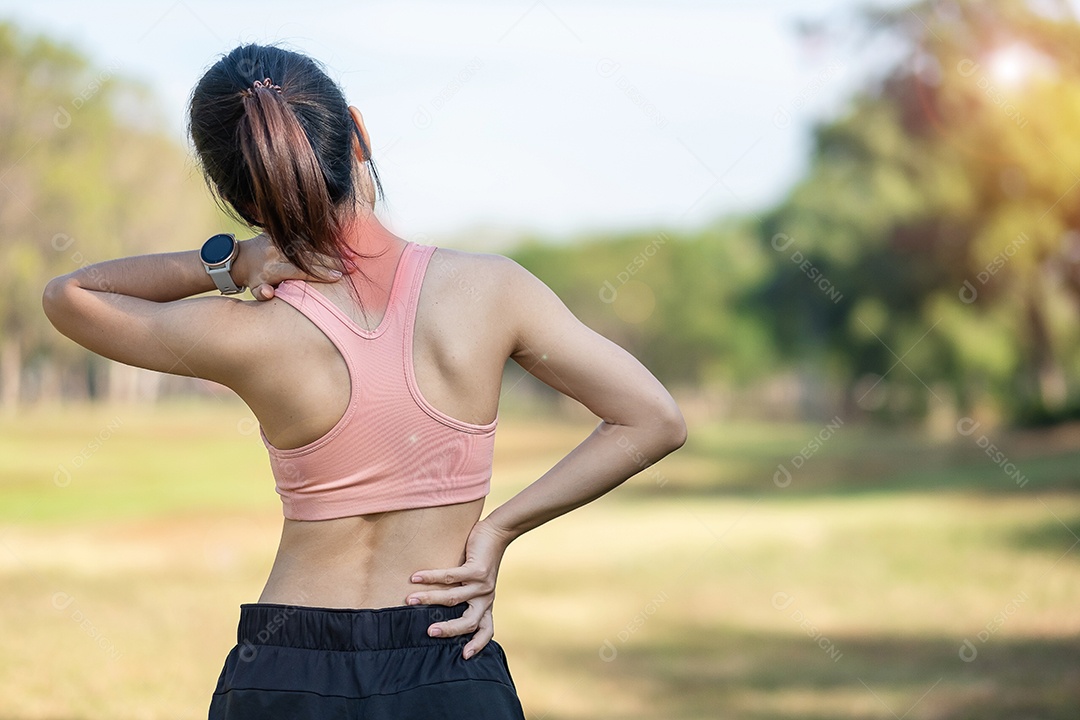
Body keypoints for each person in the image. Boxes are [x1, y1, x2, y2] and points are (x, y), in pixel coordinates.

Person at [41, 42, 688, 720]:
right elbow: (653, 419)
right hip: (445, 657)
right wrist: (497, 532)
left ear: (238, 196)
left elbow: (70, 295)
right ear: (357, 133)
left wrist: (235, 262)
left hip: (285, 667)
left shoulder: (246, 330)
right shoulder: (491, 291)